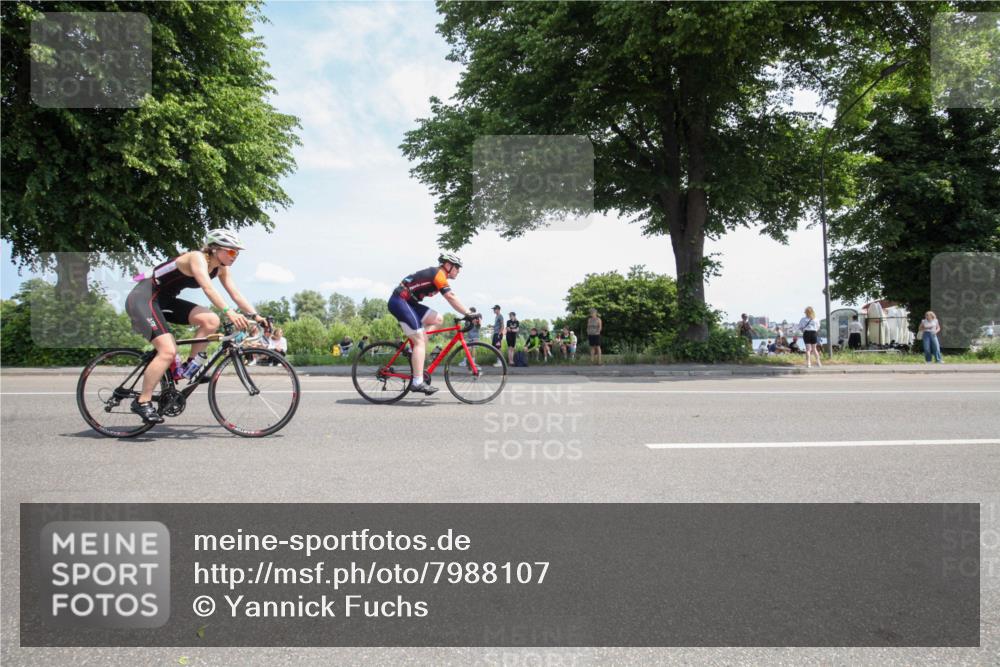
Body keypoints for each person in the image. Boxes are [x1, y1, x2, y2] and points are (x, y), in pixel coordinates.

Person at [124, 229, 263, 423]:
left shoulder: (221, 268)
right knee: (168, 351)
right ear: (214, 249)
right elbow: (208, 288)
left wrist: (256, 316)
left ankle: (190, 367)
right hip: (142, 299)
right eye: (231, 251)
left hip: (165, 301)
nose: (235, 256)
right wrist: (229, 312)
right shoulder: (196, 258)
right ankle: (142, 401)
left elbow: (235, 293)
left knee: (211, 320)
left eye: (237, 253)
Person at [387, 252, 474, 395]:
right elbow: (450, 297)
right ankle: (417, 382)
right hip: (399, 301)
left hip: (409, 303)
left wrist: (468, 313)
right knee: (420, 341)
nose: (458, 271)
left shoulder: (439, 275)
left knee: (438, 319)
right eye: (457, 267)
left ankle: (413, 350)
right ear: (448, 265)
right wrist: (468, 313)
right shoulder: (438, 274)